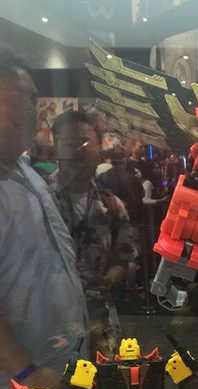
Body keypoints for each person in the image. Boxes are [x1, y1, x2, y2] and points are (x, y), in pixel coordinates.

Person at [0, 47, 88, 389]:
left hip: (57, 373)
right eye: (26, 99)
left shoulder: (24, 173)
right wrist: (28, 372)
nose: (34, 111)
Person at [50, 110, 139, 355]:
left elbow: (123, 259)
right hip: (50, 328)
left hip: (100, 326)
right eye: (69, 143)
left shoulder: (113, 205)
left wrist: (107, 281)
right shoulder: (38, 201)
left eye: (85, 143)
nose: (77, 151)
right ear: (56, 148)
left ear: (100, 149)